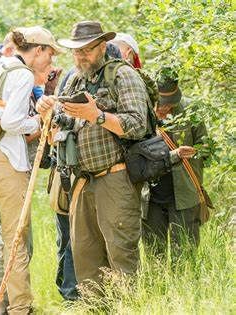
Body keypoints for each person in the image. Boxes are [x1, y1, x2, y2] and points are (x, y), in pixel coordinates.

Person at [37, 21, 150, 290]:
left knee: (121, 256)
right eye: (76, 51)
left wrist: (97, 116)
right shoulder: (76, 79)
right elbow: (63, 122)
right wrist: (48, 110)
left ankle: (129, 308)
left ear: (102, 47)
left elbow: (137, 125)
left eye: (86, 50)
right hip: (81, 181)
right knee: (85, 259)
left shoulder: (124, 76)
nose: (80, 56)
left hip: (116, 178)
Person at [0, 26, 62, 314]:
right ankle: (20, 308)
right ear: (38, 49)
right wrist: (39, 121)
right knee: (14, 237)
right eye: (50, 54)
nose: (51, 62)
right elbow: (11, 122)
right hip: (6, 162)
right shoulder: (21, 75)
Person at [142, 67, 208, 253]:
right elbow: (136, 154)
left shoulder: (191, 109)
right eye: (162, 102)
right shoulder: (142, 112)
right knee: (155, 256)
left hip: (184, 195)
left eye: (170, 102)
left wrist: (193, 152)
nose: (165, 107)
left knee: (185, 255)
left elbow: (205, 148)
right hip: (151, 197)